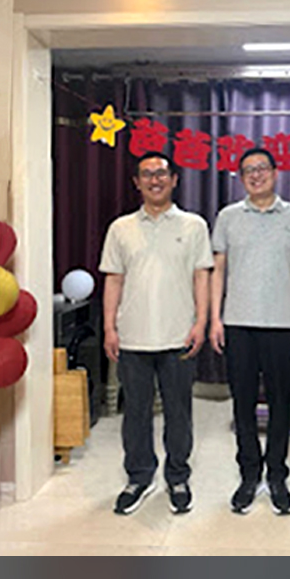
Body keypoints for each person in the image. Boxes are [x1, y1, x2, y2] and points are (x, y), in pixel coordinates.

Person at [99, 151, 213, 516]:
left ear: (174, 179)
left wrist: (201, 323)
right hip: (132, 337)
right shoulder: (121, 228)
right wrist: (109, 327)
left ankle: (177, 477)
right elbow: (113, 279)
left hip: (179, 336)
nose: (155, 179)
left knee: (179, 413)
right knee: (136, 412)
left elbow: (202, 276)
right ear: (137, 182)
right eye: (147, 174)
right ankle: (139, 477)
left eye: (162, 173)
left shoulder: (193, 226)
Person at [209, 148, 290, 515]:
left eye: (262, 168)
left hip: (282, 323)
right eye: (248, 170)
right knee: (242, 403)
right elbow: (217, 270)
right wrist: (215, 319)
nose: (256, 175)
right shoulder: (228, 217)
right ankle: (249, 475)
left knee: (282, 403)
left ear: (275, 172)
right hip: (238, 324)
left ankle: (278, 476)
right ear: (240, 177)